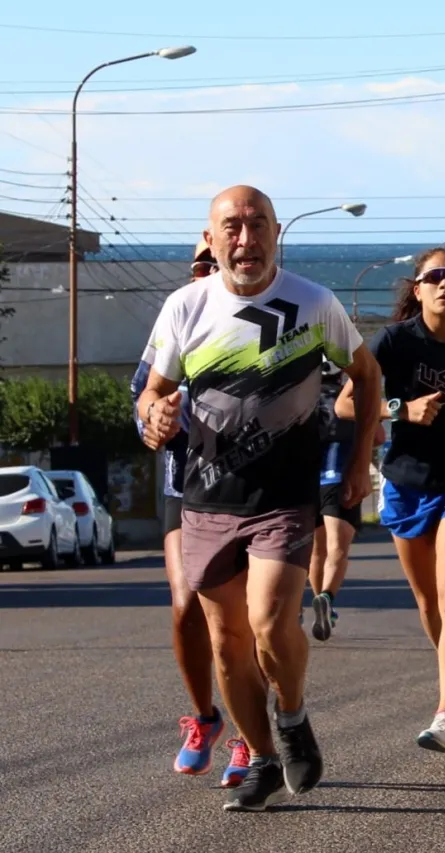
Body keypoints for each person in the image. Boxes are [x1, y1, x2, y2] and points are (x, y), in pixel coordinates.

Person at [137, 185, 382, 812]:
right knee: (228, 643)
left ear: (276, 233)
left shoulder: (314, 303)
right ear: (211, 237)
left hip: (284, 496)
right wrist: (154, 417)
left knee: (271, 623)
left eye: (258, 225)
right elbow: (152, 391)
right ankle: (262, 758)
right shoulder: (185, 307)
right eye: (232, 227)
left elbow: (366, 374)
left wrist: (360, 460)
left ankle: (292, 716)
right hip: (207, 499)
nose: (246, 239)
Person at [336, 244, 445, 753]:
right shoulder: (395, 341)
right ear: (418, 289)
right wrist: (401, 410)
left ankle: (444, 713)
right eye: (435, 277)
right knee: (428, 602)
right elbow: (345, 404)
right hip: (406, 482)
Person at [130, 240, 249, 788]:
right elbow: (143, 395)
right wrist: (154, 419)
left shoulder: (267, 318)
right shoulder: (178, 317)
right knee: (185, 607)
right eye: (200, 262)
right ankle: (205, 717)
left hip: (255, 491)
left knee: (248, 621)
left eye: (214, 261)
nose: (208, 269)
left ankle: (250, 737)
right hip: (187, 487)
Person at [309, 361, 386, 641]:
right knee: (337, 548)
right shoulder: (351, 399)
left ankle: (319, 600)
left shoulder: (304, 400)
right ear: (341, 373)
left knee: (317, 551)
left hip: (309, 480)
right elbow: (379, 437)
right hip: (342, 477)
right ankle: (327, 597)